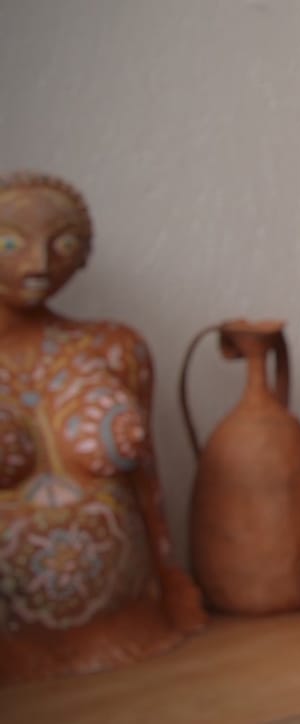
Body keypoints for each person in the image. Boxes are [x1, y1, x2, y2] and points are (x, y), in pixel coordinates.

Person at [0, 171, 204, 683]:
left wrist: (174, 585)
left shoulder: (112, 347)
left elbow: (148, 490)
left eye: (62, 242)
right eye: (11, 242)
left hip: (133, 633)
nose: (39, 263)